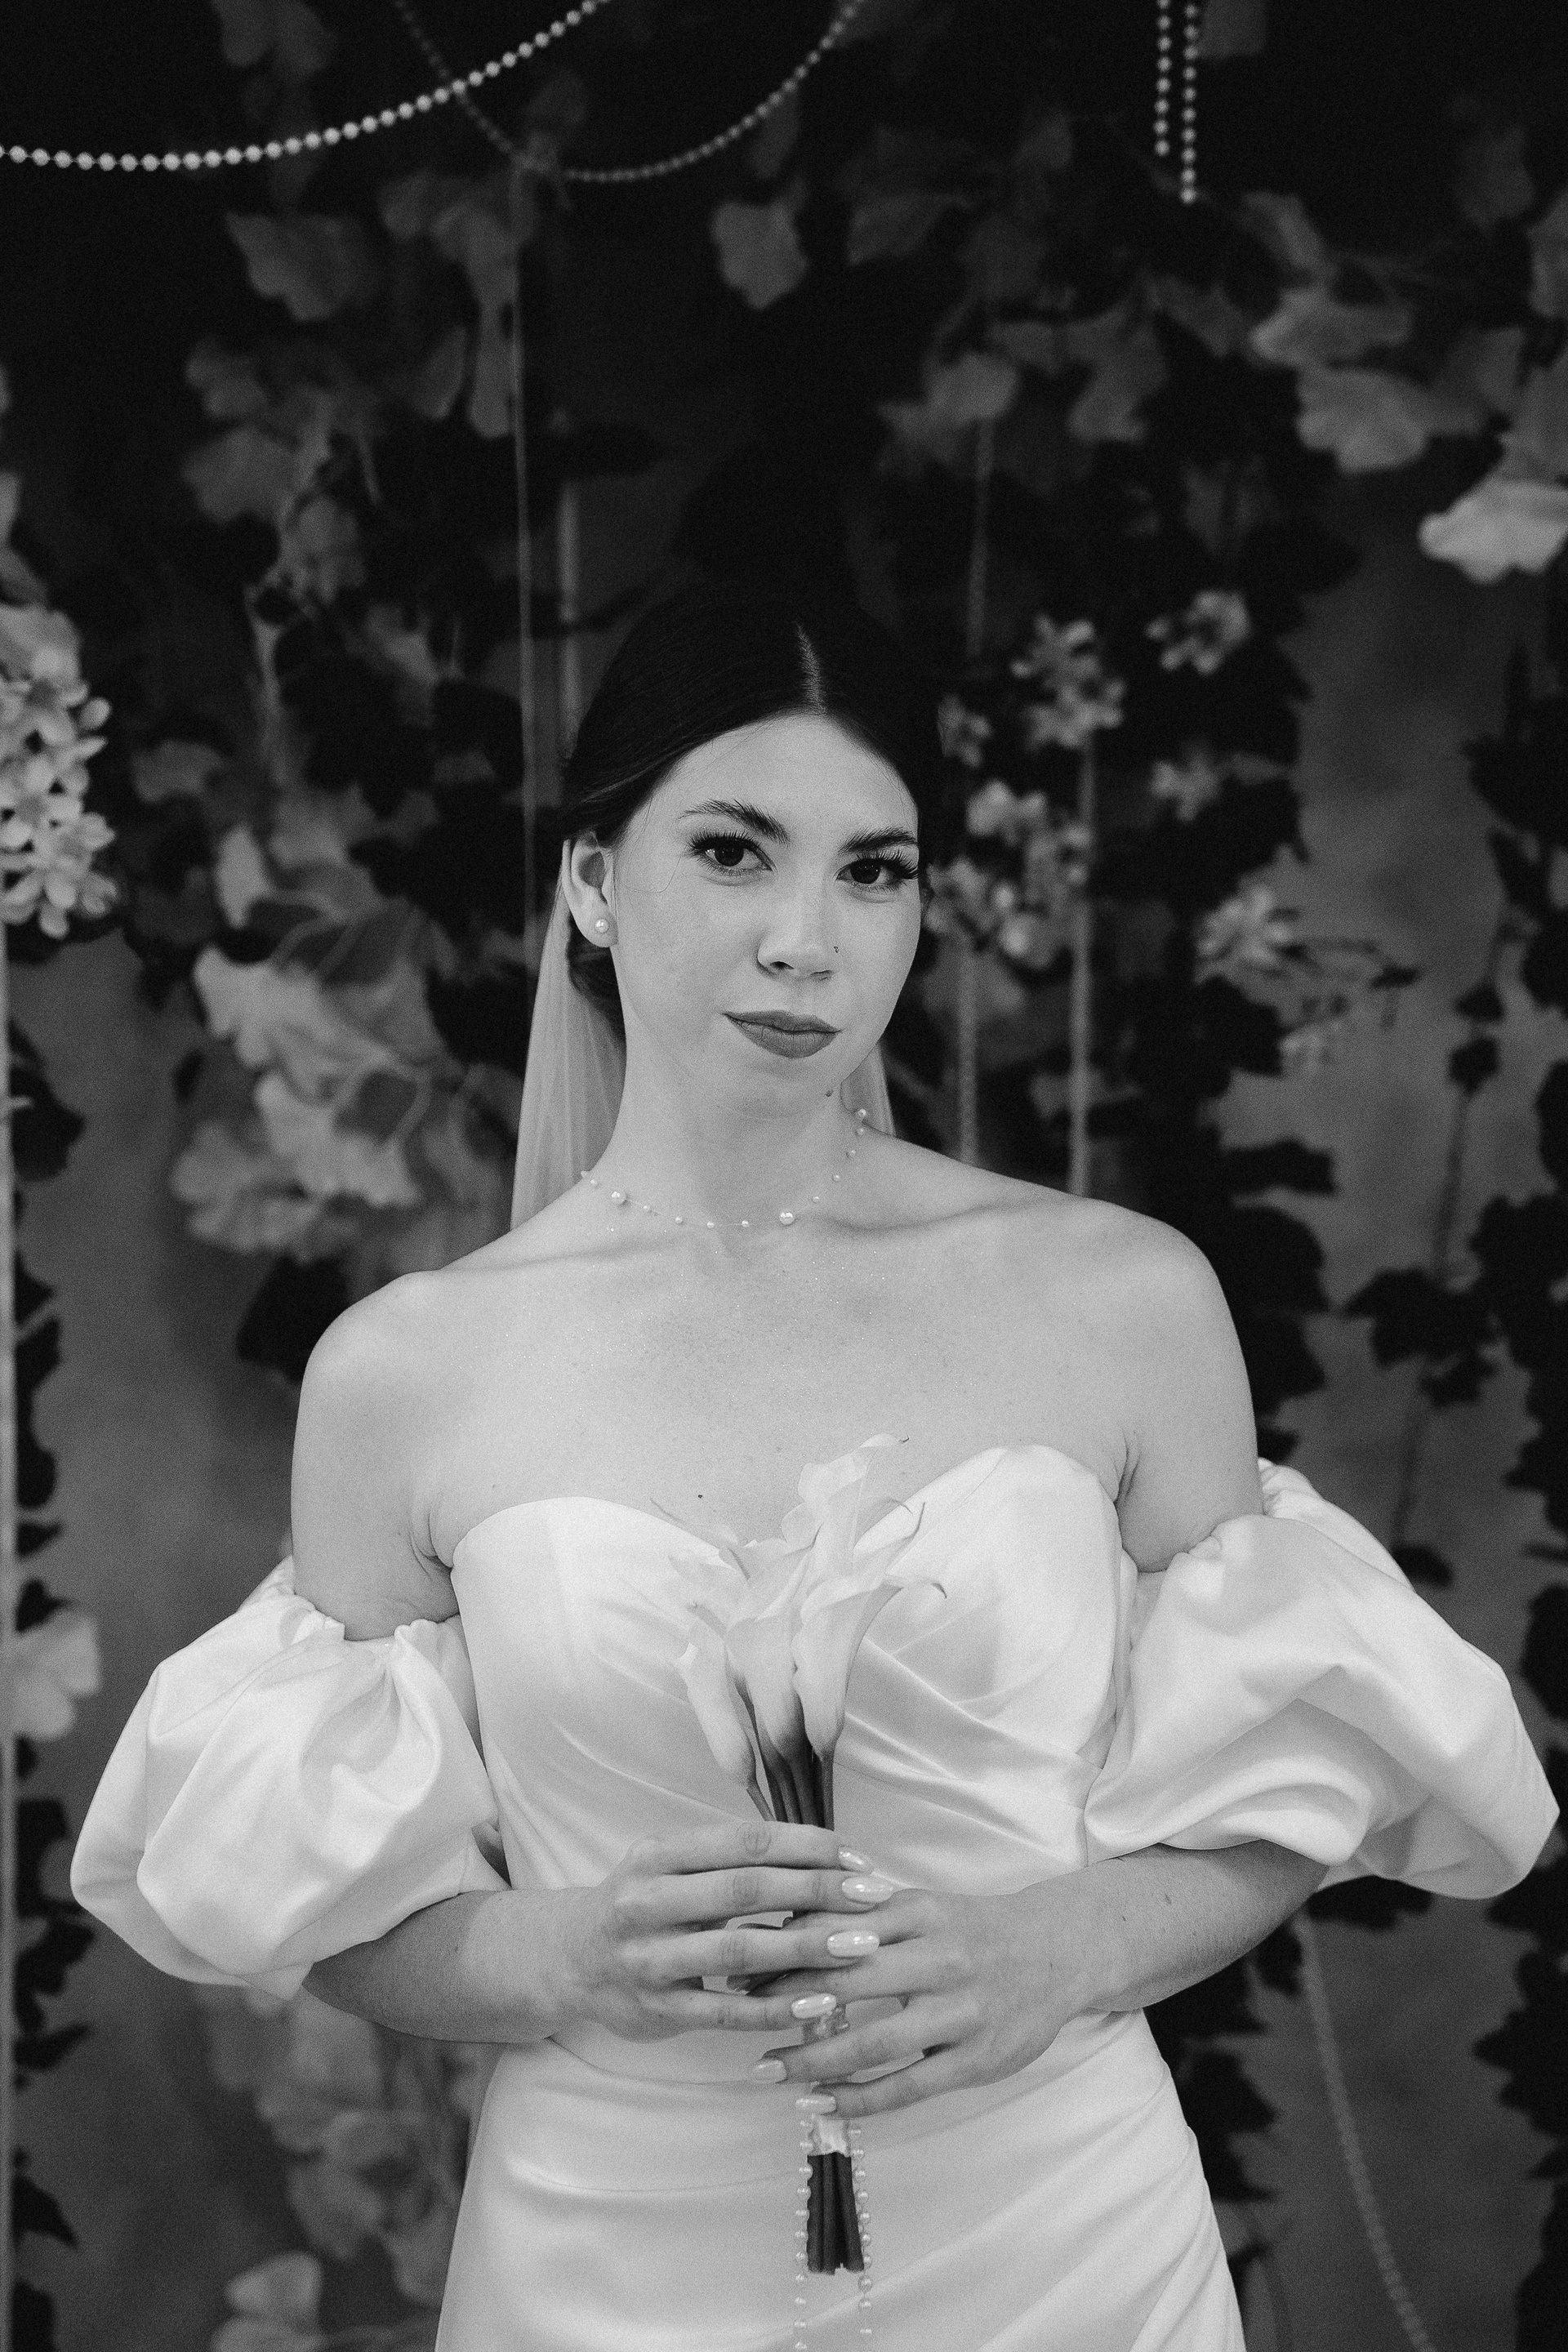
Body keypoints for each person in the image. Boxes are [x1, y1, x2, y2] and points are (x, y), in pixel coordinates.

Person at [74, 586, 1557, 2350]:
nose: (807, 941)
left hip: (1060, 2240)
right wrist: (566, 1957)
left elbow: (1285, 1786)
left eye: (874, 871)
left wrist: (1058, 1953)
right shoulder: (406, 1374)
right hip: (608, 2257)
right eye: (733, 852)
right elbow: (317, 1892)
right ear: (592, 881)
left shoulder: (1121, 1298)